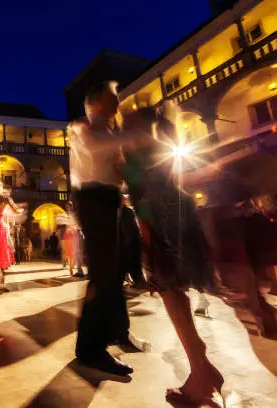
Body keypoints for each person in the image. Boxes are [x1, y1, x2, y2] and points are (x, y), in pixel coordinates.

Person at [119, 106, 224, 404]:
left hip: (161, 226)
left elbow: (142, 203)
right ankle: (201, 370)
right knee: (179, 296)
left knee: (173, 297)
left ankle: (201, 377)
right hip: (182, 215)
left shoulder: (135, 155)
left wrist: (148, 247)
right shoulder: (166, 138)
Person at [67, 82, 148, 377]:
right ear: (97, 102)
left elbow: (116, 167)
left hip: (108, 198)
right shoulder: (85, 129)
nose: (118, 102)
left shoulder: (109, 130)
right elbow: (96, 147)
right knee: (103, 273)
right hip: (93, 197)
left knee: (114, 269)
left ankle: (117, 331)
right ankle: (90, 349)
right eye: (113, 97)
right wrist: (135, 133)